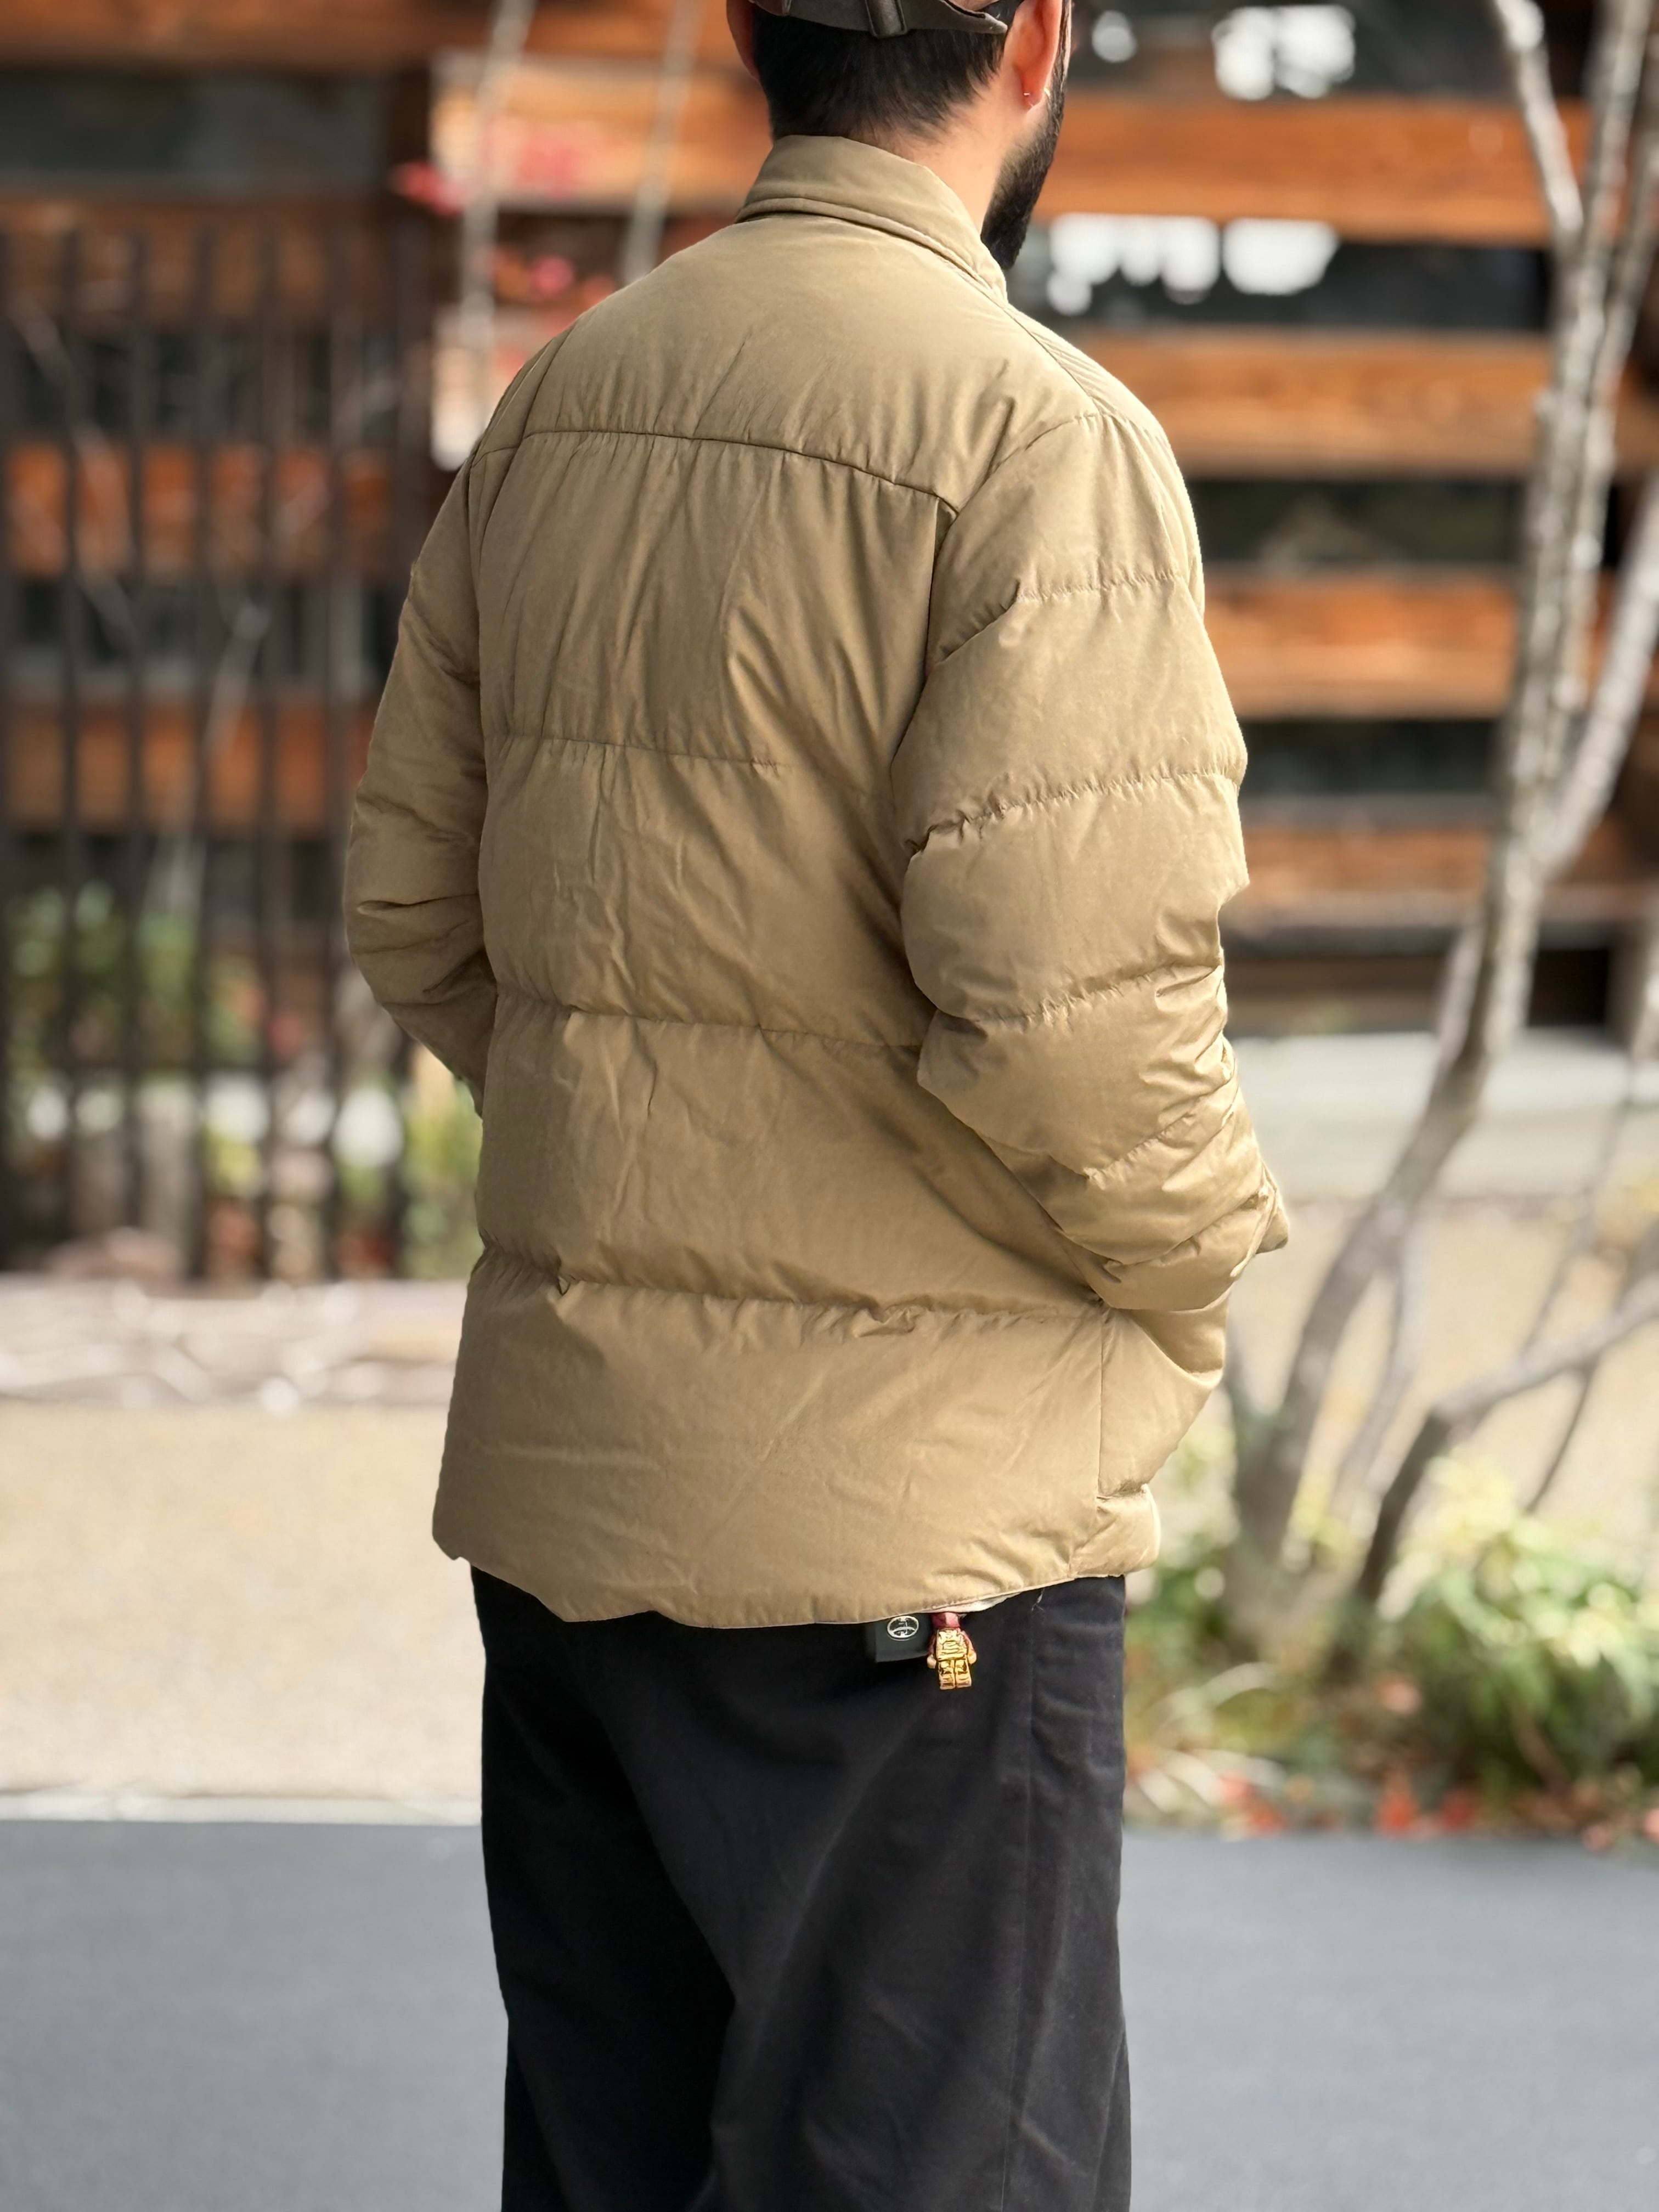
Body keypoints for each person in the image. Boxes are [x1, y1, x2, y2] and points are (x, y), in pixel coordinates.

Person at [346, 1, 1286, 2203]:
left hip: (580, 1509)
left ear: (751, 33)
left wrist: (641, 1160)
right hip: (914, 1535)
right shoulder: (1038, 437)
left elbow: (416, 910)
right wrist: (1194, 1270)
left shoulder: (570, 398)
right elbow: (1075, 1010)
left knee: (613, 2163)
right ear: (1036, 40)